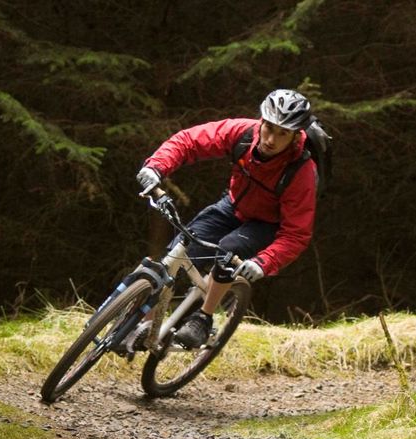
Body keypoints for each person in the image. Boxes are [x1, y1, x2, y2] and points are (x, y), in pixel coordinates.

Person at [134, 89, 318, 348]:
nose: (270, 139)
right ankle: (142, 325)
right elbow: (190, 141)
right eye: (269, 128)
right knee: (180, 249)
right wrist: (157, 166)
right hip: (233, 205)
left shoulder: (301, 171)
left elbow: (296, 234)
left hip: (266, 224)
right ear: (261, 121)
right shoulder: (243, 133)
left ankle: (204, 318)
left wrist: (264, 262)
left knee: (228, 251)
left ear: (296, 135)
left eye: (282, 133)